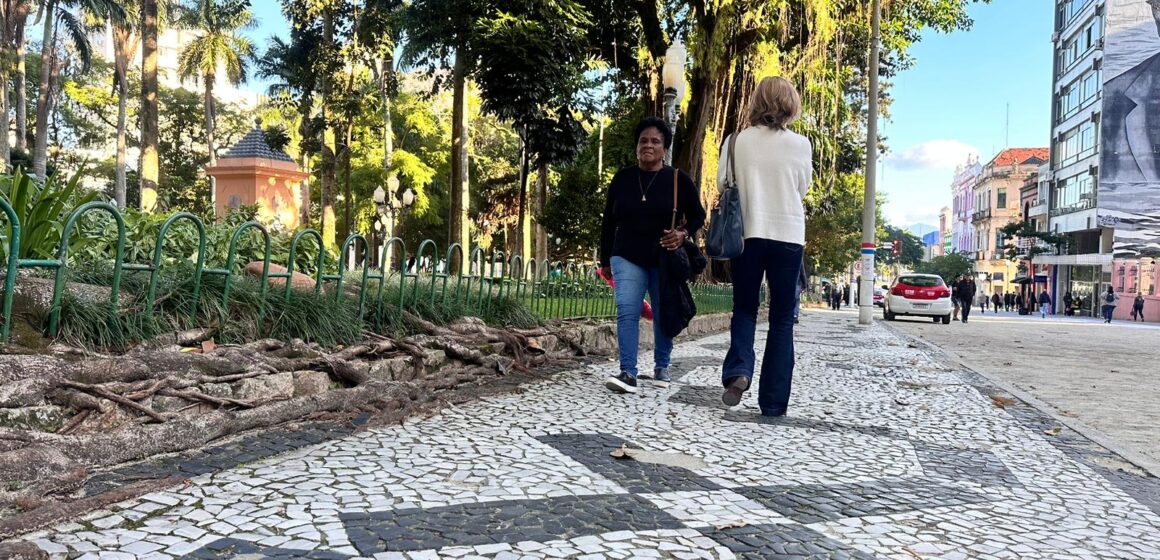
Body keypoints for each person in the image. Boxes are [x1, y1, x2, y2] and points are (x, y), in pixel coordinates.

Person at [719, 76, 813, 417]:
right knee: (782, 319)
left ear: (756, 102)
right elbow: (802, 188)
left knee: (744, 308)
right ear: (791, 104)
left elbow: (722, 183)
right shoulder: (802, 145)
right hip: (788, 235)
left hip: (748, 233)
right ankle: (773, 403)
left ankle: (739, 371)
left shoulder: (735, 141)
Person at [599, 117, 706, 393]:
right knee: (627, 310)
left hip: (664, 256)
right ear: (636, 146)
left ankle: (662, 366)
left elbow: (698, 215)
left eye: (655, 141)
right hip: (626, 254)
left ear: (664, 148)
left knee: (663, 310)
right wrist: (605, 260)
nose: (648, 145)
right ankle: (628, 373)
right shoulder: (622, 179)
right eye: (643, 140)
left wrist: (683, 234)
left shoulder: (677, 179)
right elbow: (608, 222)